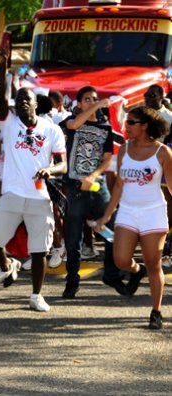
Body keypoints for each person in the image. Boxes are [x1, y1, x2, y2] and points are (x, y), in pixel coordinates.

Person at [0, 48, 67, 312]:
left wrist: (49, 171)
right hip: (11, 195)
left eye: (25, 100)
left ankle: (36, 295)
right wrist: (3, 68)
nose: (20, 103)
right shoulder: (9, 123)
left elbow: (62, 164)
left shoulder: (52, 130)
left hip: (40, 197)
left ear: (35, 104)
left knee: (39, 251)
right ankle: (8, 266)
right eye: (17, 99)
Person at [96, 106, 172, 330]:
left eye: (130, 123)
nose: (126, 126)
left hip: (153, 213)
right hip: (128, 212)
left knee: (153, 262)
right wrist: (106, 216)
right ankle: (135, 271)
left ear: (144, 126)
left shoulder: (163, 153)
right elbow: (119, 185)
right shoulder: (125, 149)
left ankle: (156, 311)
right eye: (126, 122)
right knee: (121, 261)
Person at [60, 87, 123, 297]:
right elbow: (76, 124)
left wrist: (93, 176)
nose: (92, 102)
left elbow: (107, 158)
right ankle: (72, 281)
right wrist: (97, 106)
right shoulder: (70, 121)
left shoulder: (105, 127)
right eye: (87, 99)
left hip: (97, 186)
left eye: (94, 99)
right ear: (79, 104)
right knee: (73, 238)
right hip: (75, 189)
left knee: (111, 231)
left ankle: (112, 274)